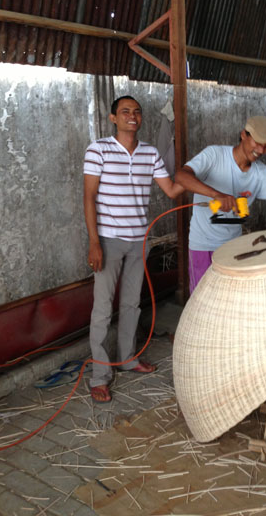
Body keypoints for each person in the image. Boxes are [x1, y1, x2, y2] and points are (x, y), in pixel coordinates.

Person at [83, 96, 184, 403]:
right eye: (125, 111)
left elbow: (170, 189)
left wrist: (199, 181)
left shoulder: (150, 152)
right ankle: (100, 376)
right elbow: (88, 197)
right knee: (102, 309)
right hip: (109, 240)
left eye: (137, 112)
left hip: (140, 239)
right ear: (113, 118)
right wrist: (94, 242)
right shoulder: (98, 150)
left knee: (131, 304)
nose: (132, 116)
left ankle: (127, 359)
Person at [175, 115, 266, 293]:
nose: (261, 149)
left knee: (230, 300)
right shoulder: (215, 155)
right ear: (244, 134)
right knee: (201, 300)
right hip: (203, 245)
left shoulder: (262, 173)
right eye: (257, 142)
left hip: (233, 247)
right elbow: (181, 176)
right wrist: (216, 194)